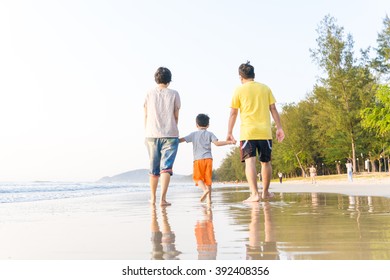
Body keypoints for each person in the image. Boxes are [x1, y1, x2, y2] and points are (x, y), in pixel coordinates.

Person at [227, 61, 285, 202]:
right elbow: (273, 109)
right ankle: (265, 193)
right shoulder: (265, 88)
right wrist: (279, 127)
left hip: (248, 132)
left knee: (250, 162)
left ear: (241, 77)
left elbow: (233, 113)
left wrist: (229, 132)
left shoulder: (238, 90)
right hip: (265, 132)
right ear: (254, 75)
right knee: (266, 162)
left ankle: (254, 194)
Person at [144, 67, 180, 206]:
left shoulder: (149, 93)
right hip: (170, 134)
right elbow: (176, 115)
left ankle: (152, 198)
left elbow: (146, 114)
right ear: (169, 80)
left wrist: (146, 131)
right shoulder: (174, 94)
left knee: (154, 169)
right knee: (166, 167)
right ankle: (162, 199)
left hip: (151, 134)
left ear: (156, 78)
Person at [180, 114, 234, 204]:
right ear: (208, 125)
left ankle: (205, 190)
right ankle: (209, 200)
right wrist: (229, 142)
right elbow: (217, 143)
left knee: (197, 178)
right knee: (208, 180)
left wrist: (171, 140)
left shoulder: (193, 134)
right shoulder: (210, 134)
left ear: (196, 125)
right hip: (209, 159)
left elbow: (181, 140)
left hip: (198, 160)